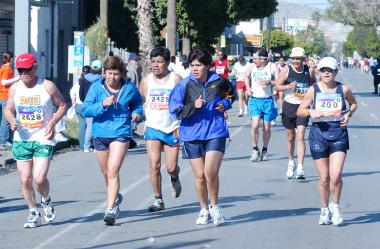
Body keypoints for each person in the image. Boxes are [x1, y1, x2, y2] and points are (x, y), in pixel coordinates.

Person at [169, 48, 235, 226]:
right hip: (192, 134)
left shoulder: (219, 81)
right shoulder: (184, 85)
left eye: (198, 65)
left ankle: (215, 207)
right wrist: (193, 105)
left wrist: (224, 104)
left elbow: (231, 93)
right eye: (192, 65)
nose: (195, 69)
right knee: (199, 176)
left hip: (215, 131)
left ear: (208, 66)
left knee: (210, 172)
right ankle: (204, 209)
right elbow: (175, 110)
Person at [4, 53, 66, 228]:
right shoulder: (15, 88)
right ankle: (33, 212)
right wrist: (12, 120)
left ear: (35, 67)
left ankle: (45, 200)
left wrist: (52, 123)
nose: (23, 72)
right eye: (20, 69)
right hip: (22, 138)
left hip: (42, 137)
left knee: (39, 178)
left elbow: (62, 105)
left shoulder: (47, 86)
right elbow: (8, 109)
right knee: (25, 179)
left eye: (27, 69)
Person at [82, 56, 143, 226]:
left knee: (113, 171)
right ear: (104, 72)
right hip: (100, 134)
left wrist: (137, 115)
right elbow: (86, 110)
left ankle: (110, 209)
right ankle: (114, 197)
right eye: (109, 73)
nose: (112, 78)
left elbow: (138, 105)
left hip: (121, 133)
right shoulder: (96, 88)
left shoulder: (129, 88)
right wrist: (102, 104)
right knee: (106, 174)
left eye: (115, 74)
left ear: (121, 73)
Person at [297, 57, 357, 226]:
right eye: (323, 70)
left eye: (329, 70)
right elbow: (300, 110)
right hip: (318, 135)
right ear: (318, 72)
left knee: (336, 176)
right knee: (324, 178)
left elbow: (353, 104)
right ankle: (324, 209)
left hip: (338, 134)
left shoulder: (342, 89)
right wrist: (310, 111)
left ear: (336, 71)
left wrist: (348, 114)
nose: (326, 73)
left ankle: (335, 206)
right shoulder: (313, 90)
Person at [139, 47, 183, 212]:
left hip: (172, 127)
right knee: (154, 165)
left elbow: (184, 100)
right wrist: (136, 113)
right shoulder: (146, 81)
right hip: (152, 127)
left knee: (171, 167)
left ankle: (174, 177)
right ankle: (158, 200)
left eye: (159, 62)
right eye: (153, 62)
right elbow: (139, 101)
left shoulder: (176, 79)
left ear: (168, 62)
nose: (155, 65)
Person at [275, 47, 316, 180]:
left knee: (301, 136)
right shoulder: (287, 69)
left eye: (298, 58)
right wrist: (288, 86)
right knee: (291, 137)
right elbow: (277, 86)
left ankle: (300, 167)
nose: (296, 61)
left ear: (303, 59)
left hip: (303, 107)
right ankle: (291, 161)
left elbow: (312, 84)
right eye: (294, 58)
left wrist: (314, 72)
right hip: (289, 107)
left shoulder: (307, 69)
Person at [244, 48, 279, 162]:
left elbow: (279, 82)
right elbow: (246, 77)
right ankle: (255, 149)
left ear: (263, 59)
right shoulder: (251, 66)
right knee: (254, 125)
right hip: (255, 100)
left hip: (267, 100)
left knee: (266, 128)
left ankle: (264, 149)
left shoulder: (272, 67)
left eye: (256, 58)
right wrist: (248, 88)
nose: (254, 60)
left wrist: (269, 82)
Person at [79, 60, 103, 152]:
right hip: (99, 104)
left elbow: (81, 92)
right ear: (101, 69)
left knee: (89, 126)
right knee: (98, 124)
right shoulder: (102, 78)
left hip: (88, 103)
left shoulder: (84, 78)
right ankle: (97, 146)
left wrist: (84, 101)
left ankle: (86, 146)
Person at [70, 65, 91, 151]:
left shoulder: (78, 81)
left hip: (78, 106)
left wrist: (74, 103)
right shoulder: (89, 81)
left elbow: (72, 92)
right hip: (86, 105)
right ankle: (88, 145)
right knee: (90, 126)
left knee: (82, 126)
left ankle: (82, 145)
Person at [0, 52, 19, 147]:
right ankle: (4, 141)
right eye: (13, 58)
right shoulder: (7, 68)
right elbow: (4, 82)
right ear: (10, 59)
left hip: (5, 96)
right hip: (5, 96)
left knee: (6, 118)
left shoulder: (4, 67)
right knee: (7, 119)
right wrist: (17, 78)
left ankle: (6, 139)